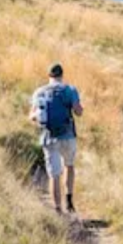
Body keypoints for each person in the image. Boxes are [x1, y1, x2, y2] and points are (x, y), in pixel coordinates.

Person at [30, 63, 84, 214]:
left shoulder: (39, 92)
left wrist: (39, 117)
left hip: (49, 137)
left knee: (54, 175)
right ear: (62, 75)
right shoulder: (70, 90)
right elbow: (78, 112)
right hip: (68, 136)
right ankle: (69, 200)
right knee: (69, 165)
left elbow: (32, 116)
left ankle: (58, 209)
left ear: (49, 75)